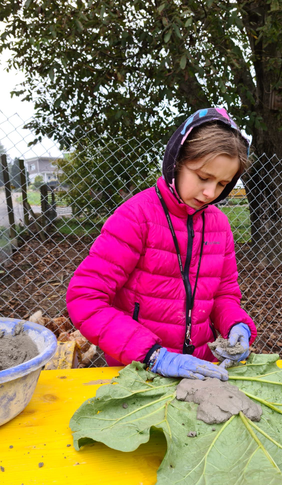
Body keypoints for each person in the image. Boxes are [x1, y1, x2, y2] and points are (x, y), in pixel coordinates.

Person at [66, 107, 257, 381]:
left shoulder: (220, 226)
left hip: (201, 371)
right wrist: (153, 355)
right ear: (176, 161)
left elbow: (223, 296)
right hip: (137, 370)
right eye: (203, 177)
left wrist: (236, 325)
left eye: (222, 184)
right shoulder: (135, 217)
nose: (209, 193)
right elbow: (85, 297)